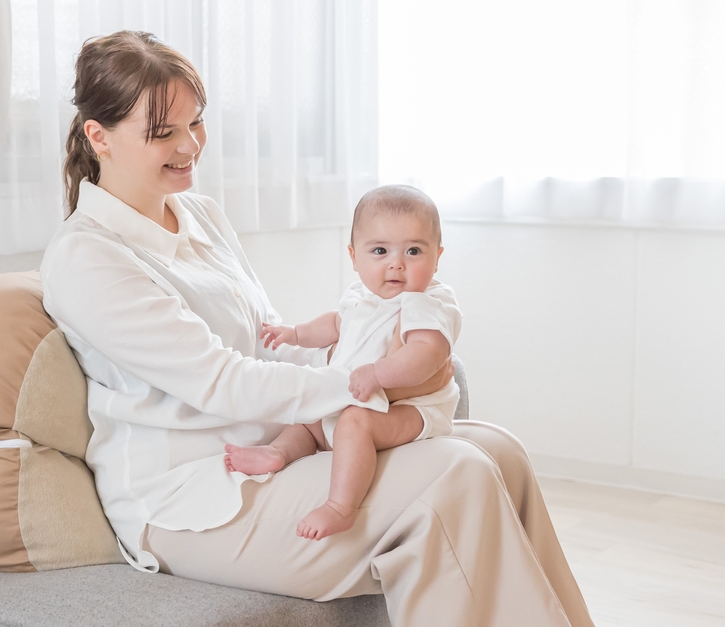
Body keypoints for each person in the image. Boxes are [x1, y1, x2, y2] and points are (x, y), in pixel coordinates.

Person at [40, 30, 595, 627]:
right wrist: (367, 382)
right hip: (191, 498)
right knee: (457, 475)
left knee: (498, 450)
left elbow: (264, 336)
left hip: (276, 452)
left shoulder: (199, 214)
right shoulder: (87, 258)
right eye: (164, 133)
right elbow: (222, 382)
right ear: (99, 137)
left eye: (196, 124)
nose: (189, 146)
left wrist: (374, 363)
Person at [224, 185, 462, 541]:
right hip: (361, 394)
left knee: (353, 422)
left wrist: (378, 373)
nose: (396, 263)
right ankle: (277, 453)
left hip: (412, 411)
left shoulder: (425, 302)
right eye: (380, 251)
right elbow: (336, 324)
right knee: (311, 420)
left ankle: (340, 506)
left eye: (413, 251)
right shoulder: (360, 296)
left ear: (438, 256)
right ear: (354, 257)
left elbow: (427, 355)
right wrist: (296, 333)